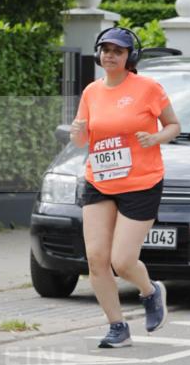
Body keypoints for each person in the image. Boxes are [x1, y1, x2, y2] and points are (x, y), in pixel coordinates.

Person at [70, 27, 180, 348]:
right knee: (96, 258)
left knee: (123, 260)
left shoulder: (147, 88)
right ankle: (117, 327)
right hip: (100, 181)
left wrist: (156, 137)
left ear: (130, 57)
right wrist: (77, 132)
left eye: (117, 51)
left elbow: (174, 125)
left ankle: (150, 291)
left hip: (141, 183)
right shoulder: (91, 92)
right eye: (105, 50)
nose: (110, 55)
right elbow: (82, 139)